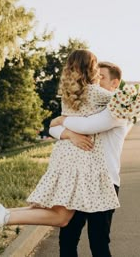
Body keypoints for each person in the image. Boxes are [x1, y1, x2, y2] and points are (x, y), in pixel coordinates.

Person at [0, 50, 121, 240]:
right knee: (61, 216)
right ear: (91, 68)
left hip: (63, 154)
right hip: (79, 159)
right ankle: (3, 217)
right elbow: (120, 102)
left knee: (54, 212)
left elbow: (57, 124)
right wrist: (131, 101)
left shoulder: (69, 92)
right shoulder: (96, 93)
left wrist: (63, 122)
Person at [49, 62, 130, 257]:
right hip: (79, 181)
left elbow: (87, 126)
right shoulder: (85, 108)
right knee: (67, 240)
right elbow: (52, 128)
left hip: (105, 182)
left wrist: (63, 122)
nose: (95, 80)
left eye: (101, 77)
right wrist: (69, 134)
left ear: (115, 83)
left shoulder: (117, 111)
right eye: (95, 75)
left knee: (99, 242)